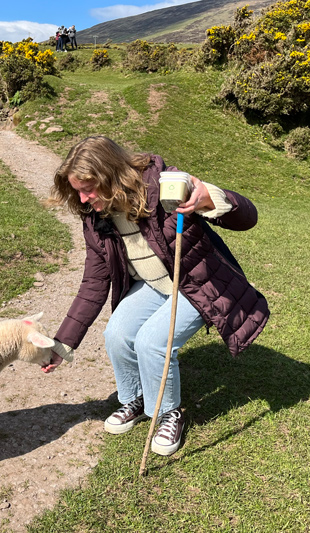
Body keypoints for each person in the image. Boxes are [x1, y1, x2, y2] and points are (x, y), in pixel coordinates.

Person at [41, 136, 269, 456]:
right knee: (117, 334)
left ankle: (167, 413)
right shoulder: (95, 217)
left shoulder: (165, 186)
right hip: (153, 284)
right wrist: (62, 344)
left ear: (110, 175)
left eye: (88, 187)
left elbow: (248, 218)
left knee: (151, 341)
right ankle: (135, 398)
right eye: (77, 190)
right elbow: (94, 282)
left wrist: (210, 198)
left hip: (193, 283)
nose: (82, 198)